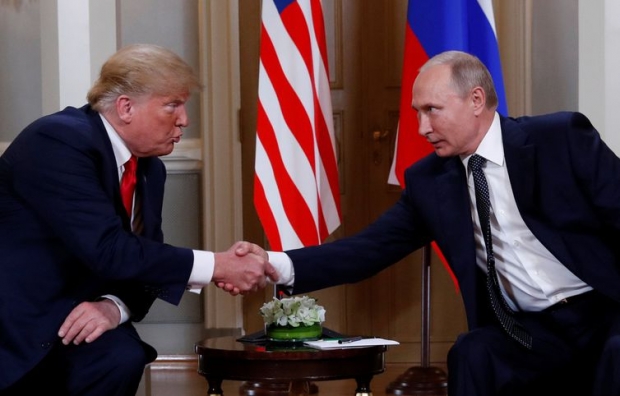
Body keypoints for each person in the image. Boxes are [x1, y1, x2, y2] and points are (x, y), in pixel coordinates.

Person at [228, 50, 620, 395]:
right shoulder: (430, 182)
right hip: (529, 332)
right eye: (417, 112)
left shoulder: (559, 138)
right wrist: (274, 263)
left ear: (476, 100)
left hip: (604, 312)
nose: (421, 128)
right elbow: (368, 249)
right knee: (473, 351)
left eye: (432, 109)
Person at [0, 44, 277, 396]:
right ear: (126, 107)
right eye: (172, 105)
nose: (184, 120)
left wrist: (114, 308)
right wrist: (218, 265)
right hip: (19, 322)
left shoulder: (149, 170)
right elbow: (110, 249)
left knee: (122, 356)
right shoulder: (59, 140)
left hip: (81, 319)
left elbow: (145, 257)